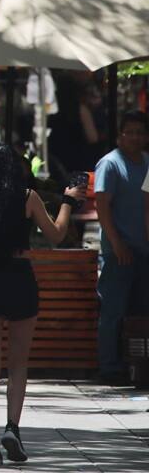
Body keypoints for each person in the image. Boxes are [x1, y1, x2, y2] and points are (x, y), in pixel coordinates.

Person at [0, 142, 77, 465]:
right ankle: (12, 427)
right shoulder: (27, 197)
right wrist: (68, 202)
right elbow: (56, 235)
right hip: (20, 278)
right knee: (18, 363)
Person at [96, 110, 149, 383]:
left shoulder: (147, 163)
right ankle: (109, 367)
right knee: (113, 312)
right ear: (120, 135)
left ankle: (137, 366)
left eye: (140, 132)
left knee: (140, 313)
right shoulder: (110, 164)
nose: (135, 137)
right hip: (119, 252)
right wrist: (116, 244)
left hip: (144, 250)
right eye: (130, 132)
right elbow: (102, 206)